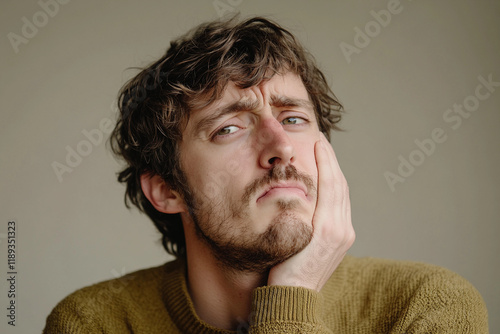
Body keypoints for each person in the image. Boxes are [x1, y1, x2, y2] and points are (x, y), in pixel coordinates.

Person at [43, 16, 488, 333]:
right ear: (166, 189)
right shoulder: (95, 322)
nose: (280, 148)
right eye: (229, 128)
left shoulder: (424, 306)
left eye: (293, 119)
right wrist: (292, 301)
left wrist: (294, 291)